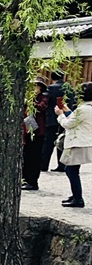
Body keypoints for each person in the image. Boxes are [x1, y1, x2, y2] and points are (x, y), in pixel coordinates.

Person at [57, 81, 92, 209]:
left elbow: (68, 124)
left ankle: (78, 198)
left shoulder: (82, 109)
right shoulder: (87, 109)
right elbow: (76, 120)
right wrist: (68, 112)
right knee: (72, 170)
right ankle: (75, 195)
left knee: (71, 171)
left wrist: (60, 115)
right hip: (83, 141)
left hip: (77, 142)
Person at [23, 79, 47, 191]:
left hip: (37, 132)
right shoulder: (27, 98)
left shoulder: (43, 98)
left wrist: (31, 103)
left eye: (35, 87)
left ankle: (32, 181)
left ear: (40, 88)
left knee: (34, 157)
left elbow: (41, 107)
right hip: (27, 129)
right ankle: (24, 179)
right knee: (26, 156)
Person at [47, 71, 70, 172]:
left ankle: (44, 164)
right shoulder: (69, 88)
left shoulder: (51, 88)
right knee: (62, 142)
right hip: (66, 117)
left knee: (48, 143)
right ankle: (62, 165)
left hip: (52, 118)